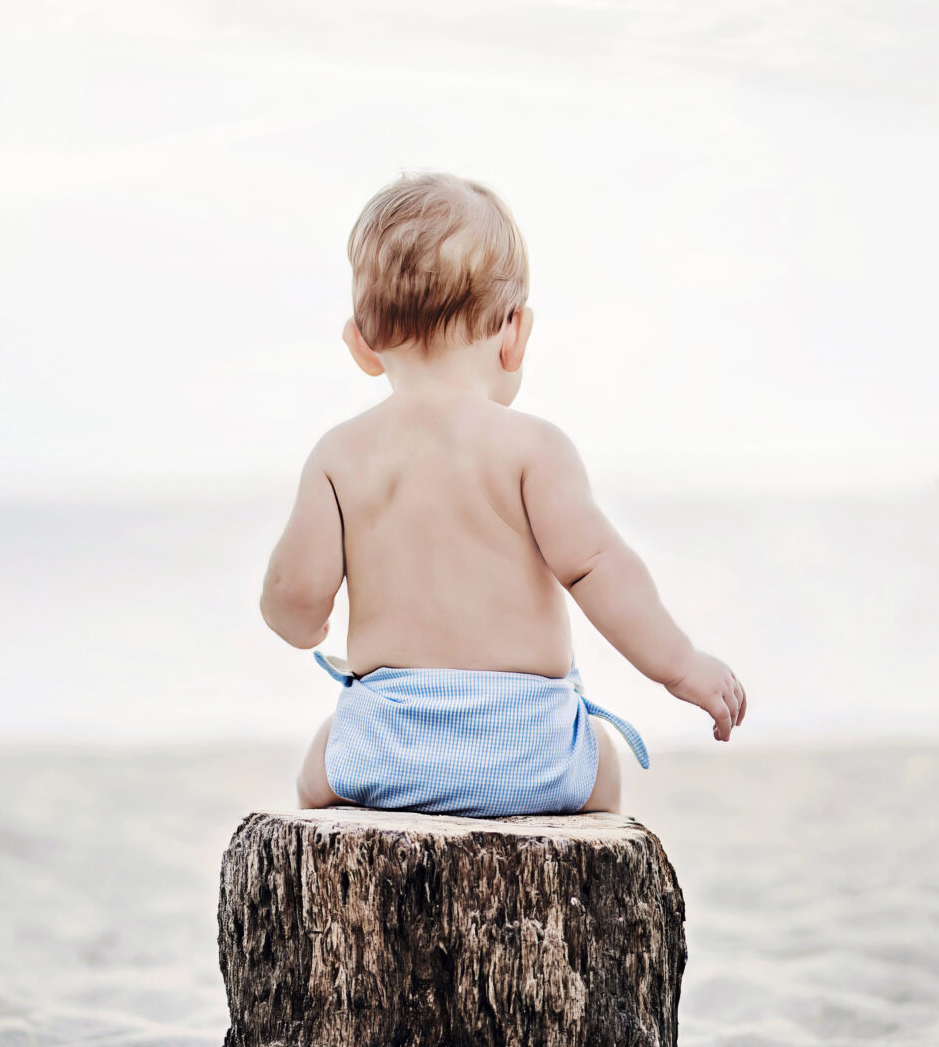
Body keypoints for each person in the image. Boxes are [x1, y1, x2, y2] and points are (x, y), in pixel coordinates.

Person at [261, 172, 745, 816]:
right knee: (603, 769)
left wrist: (306, 624)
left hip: (387, 745)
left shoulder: (339, 455)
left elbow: (294, 596)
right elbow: (600, 568)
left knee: (317, 769)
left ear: (362, 344)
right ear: (515, 334)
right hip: (535, 748)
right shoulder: (533, 448)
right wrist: (680, 665)